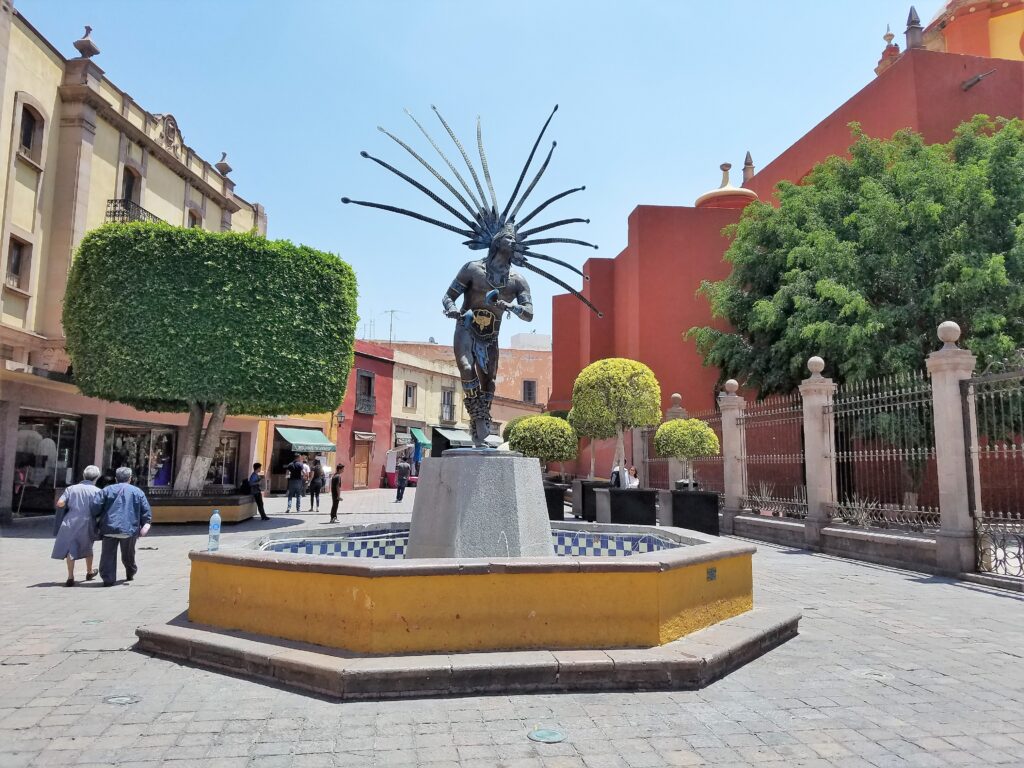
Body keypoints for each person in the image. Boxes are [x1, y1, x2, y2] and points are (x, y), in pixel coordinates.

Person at [92, 467, 152, 587]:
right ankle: (130, 571)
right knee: (128, 554)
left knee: (107, 554)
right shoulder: (137, 492)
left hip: (109, 527)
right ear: (130, 479)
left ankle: (108, 578)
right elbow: (146, 510)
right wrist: (145, 523)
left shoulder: (106, 490)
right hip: (129, 528)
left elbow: (95, 507)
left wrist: (98, 519)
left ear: (115, 478)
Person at [51, 465, 102, 586]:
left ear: (83, 475)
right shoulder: (98, 491)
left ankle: (70, 577)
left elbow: (60, 503)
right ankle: (89, 572)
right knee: (88, 546)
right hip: (88, 522)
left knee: (70, 549)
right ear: (96, 477)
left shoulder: (71, 489)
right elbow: (100, 508)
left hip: (70, 522)